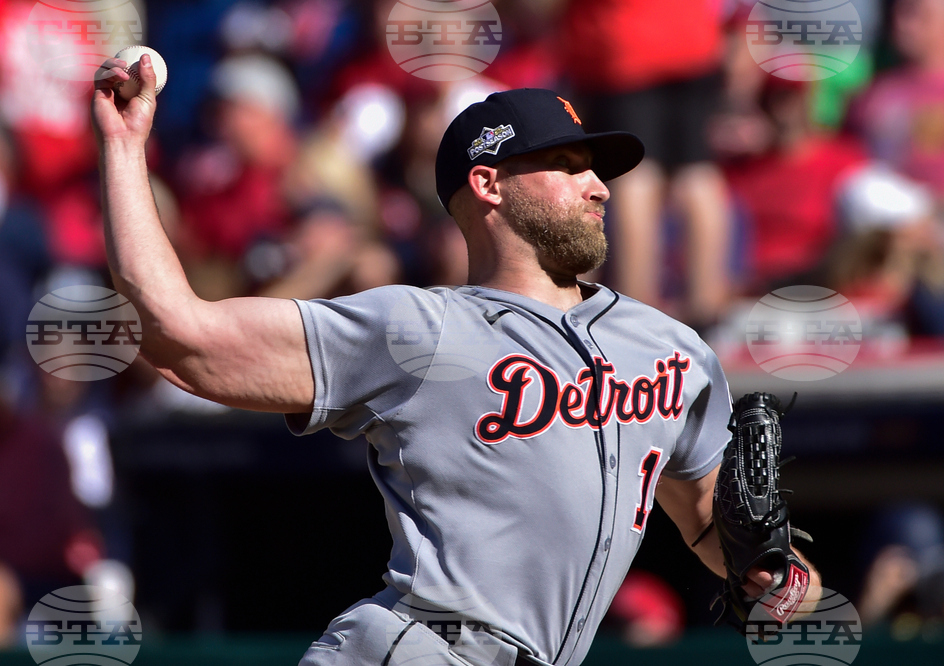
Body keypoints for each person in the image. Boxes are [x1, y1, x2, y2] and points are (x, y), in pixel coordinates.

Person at [92, 56, 821, 666]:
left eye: (596, 170)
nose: (599, 186)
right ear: (488, 183)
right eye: (567, 166)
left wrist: (776, 574)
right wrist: (125, 148)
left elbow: (709, 528)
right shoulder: (418, 327)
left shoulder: (671, 349)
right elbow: (182, 338)